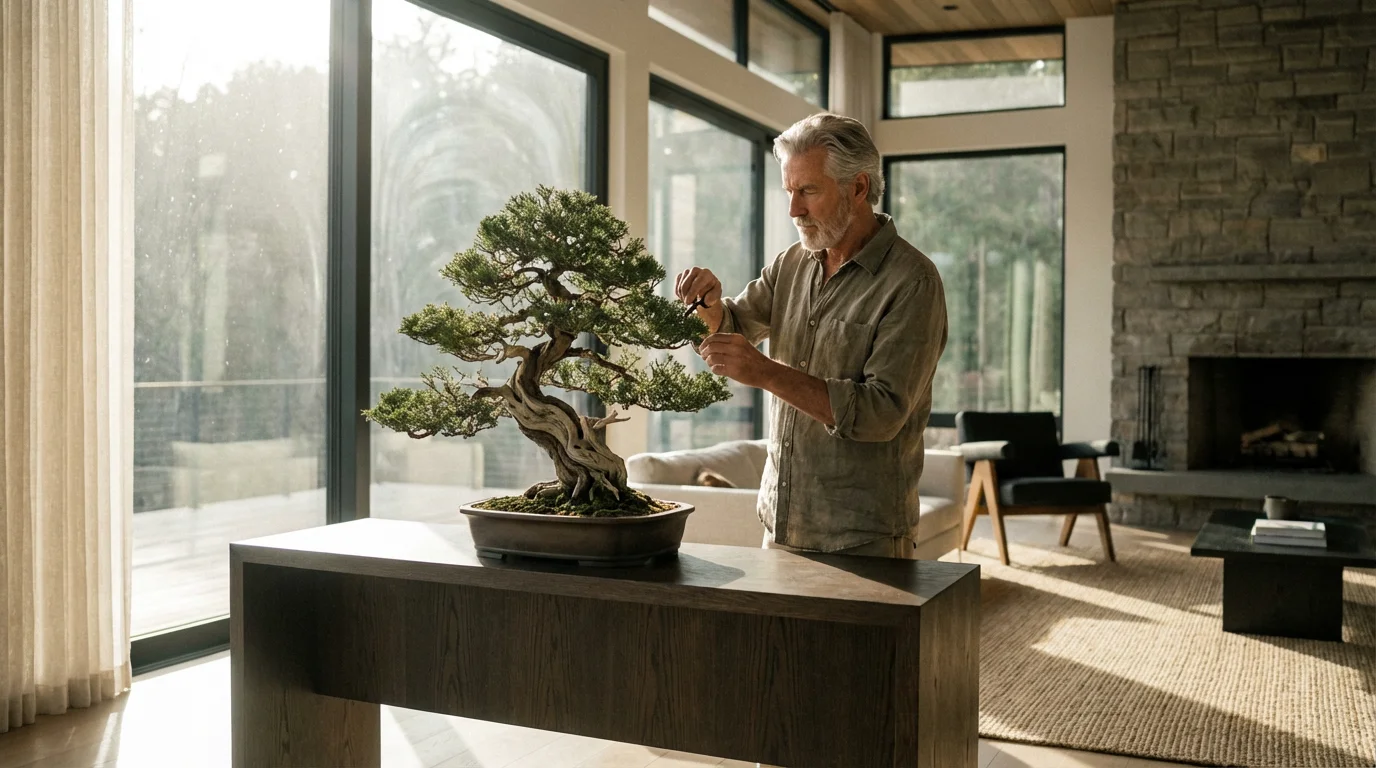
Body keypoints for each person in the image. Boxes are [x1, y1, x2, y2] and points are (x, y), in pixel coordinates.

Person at [674, 112, 947, 560]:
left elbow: (880, 413)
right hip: (778, 522)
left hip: (862, 535)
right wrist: (709, 304)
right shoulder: (791, 263)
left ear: (858, 188)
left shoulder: (913, 281)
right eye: (789, 191)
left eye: (808, 191)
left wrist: (765, 373)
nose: (793, 210)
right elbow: (734, 326)